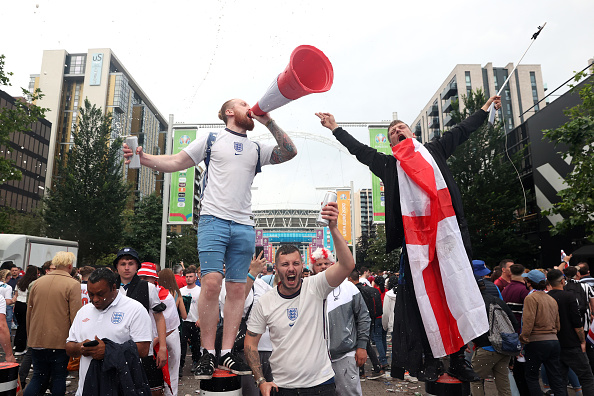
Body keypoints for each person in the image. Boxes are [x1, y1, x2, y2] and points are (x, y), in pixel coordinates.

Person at [316, 95, 502, 381]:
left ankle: (458, 359)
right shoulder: (390, 166)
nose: (396, 131)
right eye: (392, 132)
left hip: (448, 236)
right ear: (391, 144)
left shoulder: (435, 151)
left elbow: (462, 130)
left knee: (457, 293)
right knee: (423, 303)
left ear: (411, 133)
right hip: (415, 246)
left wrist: (484, 109)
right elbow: (360, 151)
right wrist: (335, 128)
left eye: (400, 127)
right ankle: (432, 362)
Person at [124, 99, 297, 379]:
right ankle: (206, 352)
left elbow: (289, 151)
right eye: (242, 104)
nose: (249, 106)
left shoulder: (255, 147)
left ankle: (226, 352)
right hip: (213, 220)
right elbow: (175, 162)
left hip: (243, 224)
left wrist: (268, 121)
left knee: (238, 289)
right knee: (213, 282)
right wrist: (143, 159)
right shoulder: (212, 139)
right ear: (229, 112)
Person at [245, 202, 355, 396]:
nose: (291, 268)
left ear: (302, 266)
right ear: (276, 269)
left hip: (321, 384)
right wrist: (261, 380)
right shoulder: (265, 301)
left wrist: (333, 228)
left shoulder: (316, 286)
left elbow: (347, 265)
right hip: (282, 387)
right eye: (285, 264)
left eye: (296, 263)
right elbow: (250, 343)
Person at [65, 267, 152, 396]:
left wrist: (108, 351)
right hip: (86, 389)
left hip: (120, 388)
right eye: (91, 294)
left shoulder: (135, 309)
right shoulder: (84, 311)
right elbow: (69, 347)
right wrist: (81, 348)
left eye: (100, 294)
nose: (95, 299)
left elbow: (144, 349)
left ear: (113, 287)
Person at [310, 247, 370, 396]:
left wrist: (362, 346)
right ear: (313, 268)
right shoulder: (307, 289)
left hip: (345, 354)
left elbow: (364, 317)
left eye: (327, 263)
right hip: (317, 358)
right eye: (319, 264)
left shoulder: (348, 287)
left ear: (333, 265)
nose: (323, 267)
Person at [25, 251, 82, 396]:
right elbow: (75, 316)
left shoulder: (37, 282)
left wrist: (30, 335)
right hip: (60, 341)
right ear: (70, 265)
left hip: (37, 339)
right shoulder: (73, 284)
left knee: (38, 376)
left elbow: (29, 312)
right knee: (58, 377)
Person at [113, 248, 168, 396]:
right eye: (122, 263)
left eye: (130, 263)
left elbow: (159, 317)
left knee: (151, 391)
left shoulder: (148, 287)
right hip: (116, 349)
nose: (126, 267)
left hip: (143, 350)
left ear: (137, 266)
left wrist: (162, 347)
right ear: (117, 267)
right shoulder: (110, 288)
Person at [547, 269, 594, 395]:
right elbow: (576, 322)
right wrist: (582, 340)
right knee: (587, 377)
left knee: (560, 379)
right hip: (571, 342)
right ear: (563, 281)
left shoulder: (546, 297)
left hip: (553, 342)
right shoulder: (569, 296)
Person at [520, 270, 566, 396]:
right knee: (556, 377)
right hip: (553, 341)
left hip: (536, 341)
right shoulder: (551, 299)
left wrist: (523, 338)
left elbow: (528, 321)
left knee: (532, 376)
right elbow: (558, 324)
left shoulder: (531, 298)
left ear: (530, 283)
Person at [470, 278, 519, 396]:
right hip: (503, 348)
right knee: (503, 382)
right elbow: (514, 323)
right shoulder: (498, 301)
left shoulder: (475, 304)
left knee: (475, 379)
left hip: (486, 349)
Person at [501, 263, 531, 396]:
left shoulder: (505, 289)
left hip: (508, 330)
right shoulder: (524, 291)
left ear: (511, 273)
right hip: (520, 329)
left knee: (512, 364)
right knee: (522, 365)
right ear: (523, 272)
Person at [179, 266, 201, 377]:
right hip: (184, 322)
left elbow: (204, 306)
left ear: (195, 277)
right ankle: (180, 366)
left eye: (190, 276)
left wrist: (200, 318)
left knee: (196, 344)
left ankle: (196, 362)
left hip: (195, 321)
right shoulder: (181, 291)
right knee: (182, 344)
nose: (188, 279)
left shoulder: (200, 290)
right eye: (186, 276)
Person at [13, 265, 38, 355]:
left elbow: (16, 294)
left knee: (20, 326)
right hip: (25, 304)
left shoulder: (20, 281)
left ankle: (16, 344)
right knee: (24, 327)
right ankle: (20, 349)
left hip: (18, 304)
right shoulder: (34, 283)